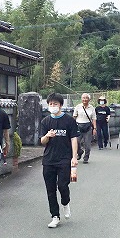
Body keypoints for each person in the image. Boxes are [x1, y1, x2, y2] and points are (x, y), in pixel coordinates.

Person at [40, 92, 79, 228]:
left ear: (61, 105)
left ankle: (65, 202)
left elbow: (74, 138)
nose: (52, 106)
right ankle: (55, 216)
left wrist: (74, 157)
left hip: (64, 159)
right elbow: (42, 141)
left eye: (55, 104)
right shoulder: (45, 121)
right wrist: (47, 135)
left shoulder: (69, 121)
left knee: (62, 185)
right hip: (49, 159)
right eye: (50, 104)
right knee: (50, 189)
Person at [72, 92, 96, 163]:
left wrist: (95, 128)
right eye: (83, 98)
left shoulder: (92, 108)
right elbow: (74, 117)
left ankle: (86, 158)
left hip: (88, 127)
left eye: (86, 98)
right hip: (79, 126)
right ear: (81, 99)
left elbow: (94, 119)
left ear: (89, 99)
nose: (85, 99)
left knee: (87, 144)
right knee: (76, 142)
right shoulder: (78, 107)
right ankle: (79, 152)